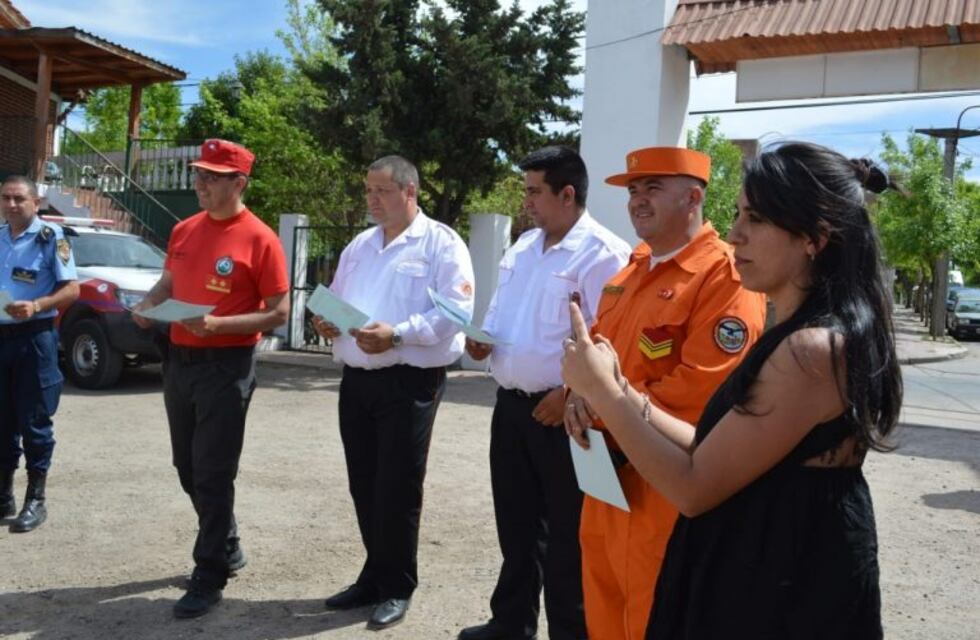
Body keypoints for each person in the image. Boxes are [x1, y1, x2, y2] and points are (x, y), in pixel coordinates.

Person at [561, 142, 901, 639]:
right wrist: (618, 390)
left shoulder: (811, 350)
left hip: (786, 581)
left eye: (756, 219)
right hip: (766, 562)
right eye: (739, 214)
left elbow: (693, 486)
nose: (736, 233)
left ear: (814, 238)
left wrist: (606, 394)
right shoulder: (801, 334)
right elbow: (714, 444)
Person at [563, 147, 768, 640]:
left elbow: (702, 393)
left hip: (664, 486)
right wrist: (576, 395)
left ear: (693, 198)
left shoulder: (724, 276)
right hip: (606, 481)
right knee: (604, 614)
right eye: (633, 190)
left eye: (653, 188)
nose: (637, 200)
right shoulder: (630, 271)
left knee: (656, 618)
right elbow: (594, 355)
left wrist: (602, 399)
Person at [458, 147, 631, 640]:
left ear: (567, 193)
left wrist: (573, 392)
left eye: (534, 191)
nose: (527, 201)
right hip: (512, 408)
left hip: (568, 417)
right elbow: (500, 314)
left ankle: (571, 632)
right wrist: (482, 340)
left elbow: (613, 340)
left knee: (570, 539)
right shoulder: (523, 247)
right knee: (516, 525)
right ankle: (511, 623)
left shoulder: (603, 253)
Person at [313, 155, 475, 631]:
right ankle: (374, 575)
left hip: (409, 380)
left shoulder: (441, 243)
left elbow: (456, 311)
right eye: (368, 190)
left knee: (397, 486)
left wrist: (399, 334)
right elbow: (337, 298)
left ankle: (398, 585)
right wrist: (326, 320)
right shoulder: (360, 245)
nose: (372, 200)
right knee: (363, 481)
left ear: (410, 191)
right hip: (357, 379)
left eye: (381, 191)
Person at [132, 139, 289, 619]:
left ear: (238, 183)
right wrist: (148, 305)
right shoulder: (184, 229)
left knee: (213, 472)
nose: (199, 183)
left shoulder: (260, 238)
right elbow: (169, 282)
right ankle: (227, 541)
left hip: (226, 366)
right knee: (187, 467)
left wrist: (219, 325)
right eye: (198, 173)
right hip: (179, 362)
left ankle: (210, 573)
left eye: (211, 177)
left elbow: (279, 312)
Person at [0, 175, 79, 533]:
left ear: (36, 202)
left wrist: (37, 305)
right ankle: (4, 495)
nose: (11, 205)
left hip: (34, 338)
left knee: (34, 422)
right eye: (6, 198)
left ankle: (36, 499)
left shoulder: (52, 238)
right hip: (1, 338)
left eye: (19, 198)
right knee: (2, 421)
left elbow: (72, 289)